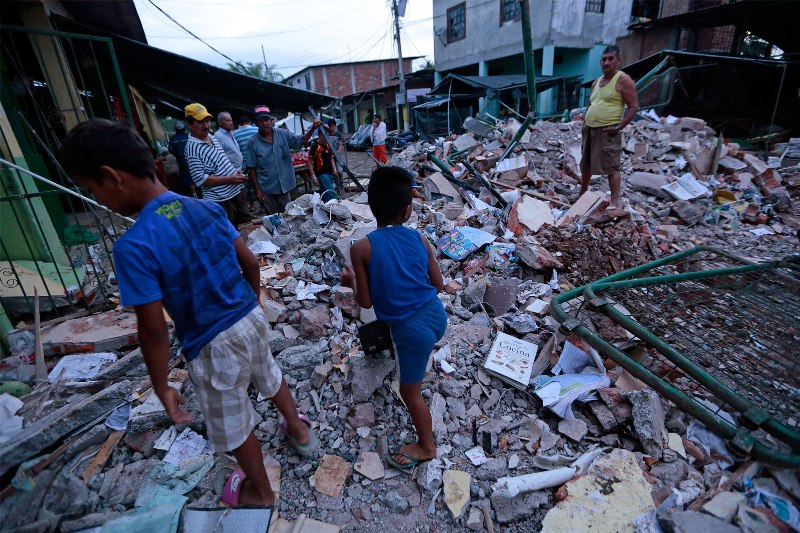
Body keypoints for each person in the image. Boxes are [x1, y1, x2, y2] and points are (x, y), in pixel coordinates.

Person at [58, 118, 319, 508]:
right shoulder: (205, 209)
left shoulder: (134, 245)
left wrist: (162, 386)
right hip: (250, 316)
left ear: (112, 177)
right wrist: (249, 304)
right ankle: (299, 431)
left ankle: (261, 493)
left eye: (92, 189)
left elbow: (152, 329)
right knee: (268, 373)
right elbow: (250, 263)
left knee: (233, 423)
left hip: (212, 342)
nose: (98, 197)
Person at [340, 166, 446, 473]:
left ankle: (426, 446)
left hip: (411, 330)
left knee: (409, 392)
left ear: (370, 207)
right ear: (407, 210)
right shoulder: (420, 238)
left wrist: (350, 282)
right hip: (435, 317)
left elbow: (365, 301)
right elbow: (438, 285)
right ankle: (413, 354)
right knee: (403, 327)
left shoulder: (361, 247)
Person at [580, 45, 639, 209]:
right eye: (604, 59)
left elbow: (634, 107)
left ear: (618, 60)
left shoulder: (623, 80)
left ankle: (614, 202)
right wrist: (585, 122)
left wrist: (618, 128)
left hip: (608, 130)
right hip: (590, 129)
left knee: (612, 167)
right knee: (586, 165)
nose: (606, 62)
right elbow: (592, 104)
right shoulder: (596, 83)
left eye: (610, 59)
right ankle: (582, 194)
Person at [183, 103, 251, 227]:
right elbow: (201, 179)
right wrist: (230, 179)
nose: (206, 125)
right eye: (200, 122)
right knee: (231, 235)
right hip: (221, 200)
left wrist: (235, 173)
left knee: (248, 228)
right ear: (190, 124)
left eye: (208, 121)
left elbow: (222, 160)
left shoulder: (211, 137)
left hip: (237, 192)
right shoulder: (192, 148)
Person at [243, 105, 320, 215]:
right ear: (256, 123)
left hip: (284, 185)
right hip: (266, 187)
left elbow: (300, 142)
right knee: (273, 218)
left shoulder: (282, 134)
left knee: (288, 216)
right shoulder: (252, 142)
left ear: (271, 120)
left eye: (266, 120)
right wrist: (257, 190)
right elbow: (251, 167)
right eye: (261, 121)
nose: (264, 123)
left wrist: (312, 128)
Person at [167, 120, 196, 197]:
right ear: (183, 128)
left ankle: (193, 193)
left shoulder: (173, 139)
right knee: (195, 173)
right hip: (192, 159)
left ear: (175, 129)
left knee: (186, 176)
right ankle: (197, 192)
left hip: (181, 160)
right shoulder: (189, 136)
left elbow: (171, 150)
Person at [307, 134, 339, 202]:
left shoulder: (328, 145)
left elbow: (331, 157)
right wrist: (313, 177)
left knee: (325, 194)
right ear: (320, 135)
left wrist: (334, 170)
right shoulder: (315, 146)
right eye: (325, 135)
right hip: (322, 174)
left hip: (330, 172)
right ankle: (333, 209)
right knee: (331, 194)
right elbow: (309, 162)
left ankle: (325, 210)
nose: (327, 137)